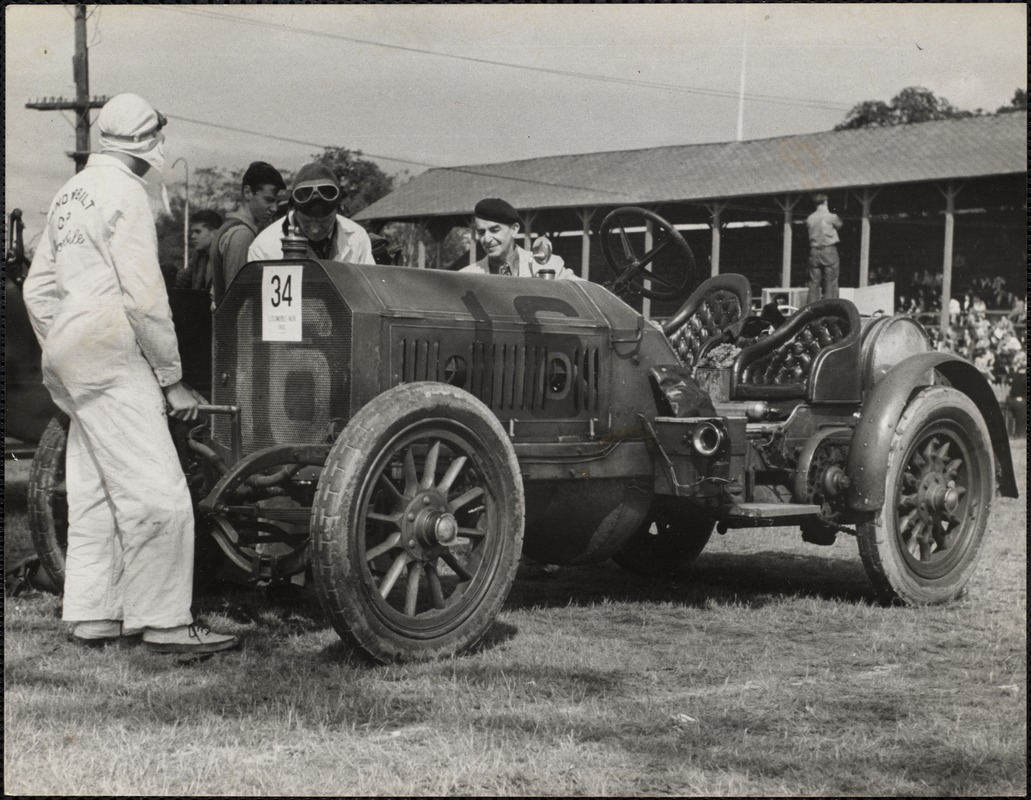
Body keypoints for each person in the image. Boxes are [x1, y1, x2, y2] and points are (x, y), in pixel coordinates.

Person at [22, 93, 238, 655]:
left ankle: (95, 614)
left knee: (95, 486)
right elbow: (144, 297)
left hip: (68, 351)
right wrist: (170, 378)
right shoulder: (126, 193)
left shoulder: (71, 192)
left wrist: (65, 340)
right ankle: (165, 621)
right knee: (157, 489)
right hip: (112, 350)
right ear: (147, 141)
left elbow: (36, 288)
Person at [247, 162, 375, 265]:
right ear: (294, 210)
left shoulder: (358, 237)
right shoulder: (264, 247)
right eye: (307, 221)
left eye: (324, 222)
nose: (315, 230)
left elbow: (370, 289)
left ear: (338, 210)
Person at [209, 161, 286, 305]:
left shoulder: (227, 228)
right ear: (248, 193)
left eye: (277, 202)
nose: (274, 208)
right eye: (269, 200)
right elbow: (238, 298)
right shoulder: (242, 235)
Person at [460, 197, 576, 279]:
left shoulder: (550, 265)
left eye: (494, 230)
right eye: (481, 232)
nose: (487, 239)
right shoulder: (465, 276)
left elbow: (587, 292)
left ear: (514, 229)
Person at [805, 192, 843, 304]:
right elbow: (840, 225)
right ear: (826, 201)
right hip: (828, 249)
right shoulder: (831, 217)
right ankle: (829, 310)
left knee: (814, 282)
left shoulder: (810, 218)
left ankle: (811, 310)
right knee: (831, 281)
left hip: (814, 251)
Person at [175, 209, 222, 291]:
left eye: (198, 232)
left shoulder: (223, 255)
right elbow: (182, 279)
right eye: (193, 232)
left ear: (214, 234)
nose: (192, 236)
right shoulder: (198, 254)